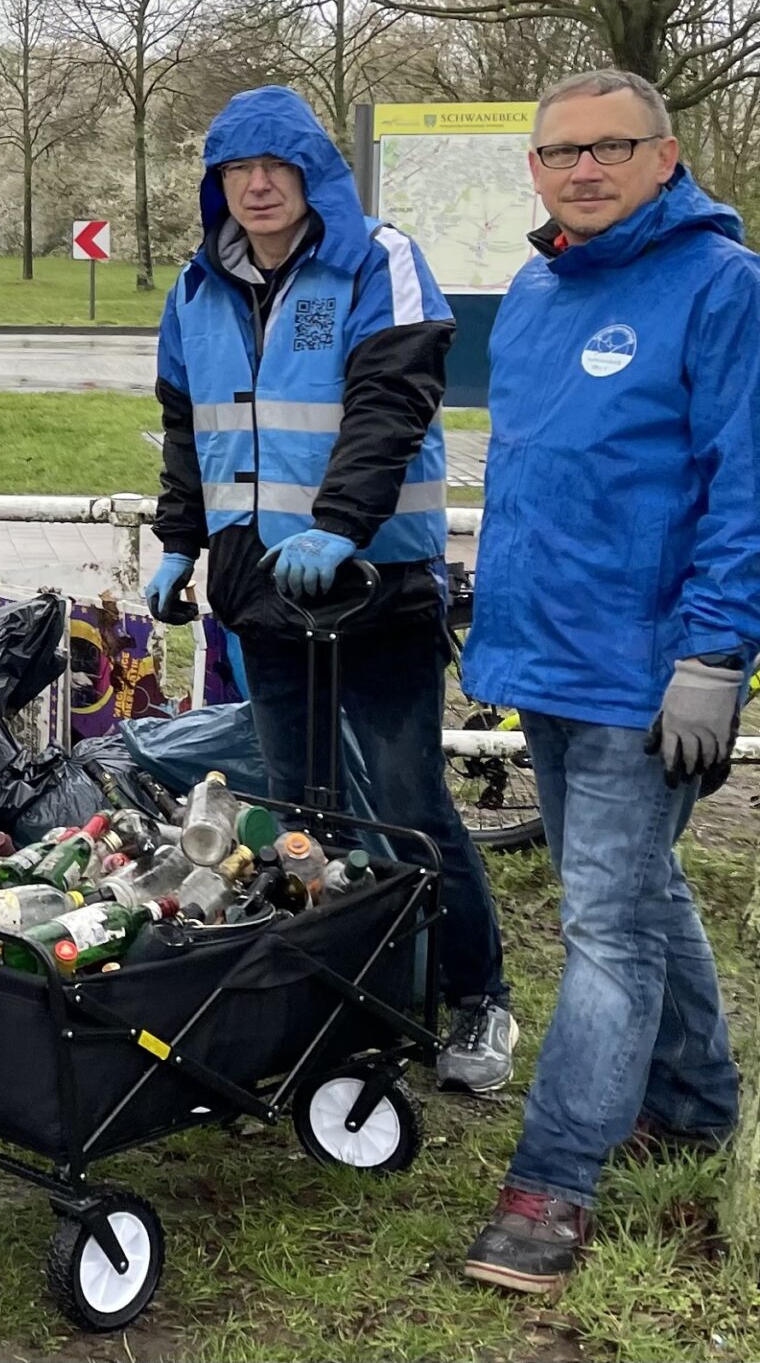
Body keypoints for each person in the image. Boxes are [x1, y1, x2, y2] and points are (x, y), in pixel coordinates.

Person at [145, 85, 516, 1095]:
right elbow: (189, 431)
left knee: (403, 800)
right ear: (215, 185)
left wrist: (337, 526)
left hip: (370, 579)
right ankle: (345, 984)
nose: (258, 187)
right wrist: (180, 543)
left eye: (277, 168)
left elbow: (391, 402)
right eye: (237, 171)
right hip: (260, 589)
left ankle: (478, 994)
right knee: (297, 803)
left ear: (315, 178)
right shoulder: (195, 289)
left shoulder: (377, 260)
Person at [457, 71, 755, 1297]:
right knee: (629, 897)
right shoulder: (532, 292)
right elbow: (531, 475)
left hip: (648, 671)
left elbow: (744, 483)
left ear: (665, 155)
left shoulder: (722, 288)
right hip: (547, 661)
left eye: (610, 148)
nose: (583, 170)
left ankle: (553, 1181)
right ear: (532, 170)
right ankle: (693, 1102)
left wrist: (714, 656)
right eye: (559, 153)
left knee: (604, 925)